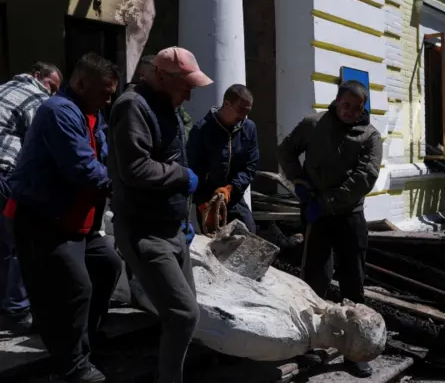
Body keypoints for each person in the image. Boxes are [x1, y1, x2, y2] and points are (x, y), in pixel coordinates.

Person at [5, 53, 121, 383]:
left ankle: (84, 338)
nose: (109, 99)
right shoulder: (59, 111)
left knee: (107, 265)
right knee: (75, 286)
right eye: (104, 92)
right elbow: (82, 168)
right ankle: (74, 365)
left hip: (76, 222)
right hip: (44, 219)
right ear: (81, 83)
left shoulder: (92, 114)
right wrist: (120, 185)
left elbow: (106, 157)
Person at [108, 46, 212, 383]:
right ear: (162, 76)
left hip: (171, 229)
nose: (190, 94)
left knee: (185, 316)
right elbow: (136, 169)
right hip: (145, 231)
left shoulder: (166, 104)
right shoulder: (132, 106)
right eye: (186, 87)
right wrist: (183, 176)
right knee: (182, 315)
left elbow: (168, 158)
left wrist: (184, 221)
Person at [276, 80, 382, 378]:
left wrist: (327, 202)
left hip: (349, 215)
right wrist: (298, 182)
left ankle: (354, 349)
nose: (349, 112)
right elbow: (285, 151)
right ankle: (307, 344)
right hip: (315, 213)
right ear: (336, 102)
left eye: (356, 107)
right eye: (345, 105)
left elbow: (365, 177)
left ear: (363, 108)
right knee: (313, 278)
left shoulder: (370, 136)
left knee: (353, 280)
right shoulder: (313, 124)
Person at [0, 62, 62, 332]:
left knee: (2, 244)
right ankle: (17, 308)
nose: (53, 94)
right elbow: (43, 142)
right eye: (53, 86)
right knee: (21, 243)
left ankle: (7, 302)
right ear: (38, 76)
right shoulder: (37, 97)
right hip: (5, 175)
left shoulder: (3, 89)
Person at [187, 84, 258, 234]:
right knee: (216, 247)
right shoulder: (201, 130)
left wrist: (230, 189)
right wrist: (202, 203)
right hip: (208, 200)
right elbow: (192, 169)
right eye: (240, 110)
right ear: (227, 104)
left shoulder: (249, 128)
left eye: (247, 112)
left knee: (249, 236)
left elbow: (250, 166)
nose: (243, 117)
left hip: (234, 196)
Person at [133, 54, 194, 138]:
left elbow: (187, 122)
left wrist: (180, 138)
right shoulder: (133, 103)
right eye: (142, 76)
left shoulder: (167, 100)